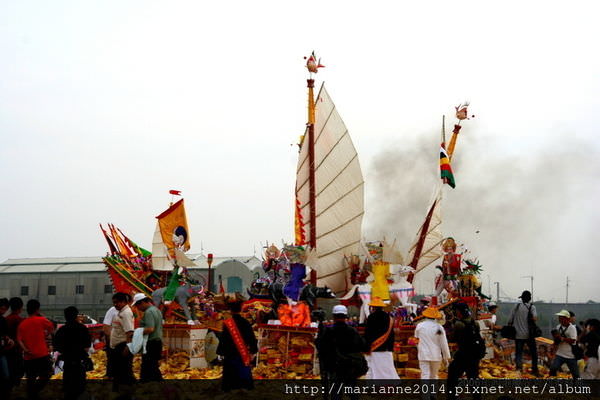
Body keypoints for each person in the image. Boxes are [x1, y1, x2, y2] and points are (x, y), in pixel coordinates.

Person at [319, 305, 366, 400]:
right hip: (350, 366)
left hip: (334, 366)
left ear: (333, 316)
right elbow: (362, 345)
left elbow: (321, 348)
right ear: (345, 316)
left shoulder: (328, 331)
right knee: (352, 391)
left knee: (335, 392)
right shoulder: (352, 331)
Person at [217, 299, 258, 392]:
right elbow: (251, 338)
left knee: (229, 371)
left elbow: (223, 339)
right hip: (241, 353)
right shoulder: (246, 323)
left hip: (229, 353)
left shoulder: (227, 323)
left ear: (230, 311)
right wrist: (253, 350)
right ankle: (245, 388)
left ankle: (229, 388)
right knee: (243, 370)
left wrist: (220, 352)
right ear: (241, 309)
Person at [16, 299, 54, 400]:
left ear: (27, 309)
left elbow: (19, 340)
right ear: (37, 309)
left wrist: (26, 350)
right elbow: (51, 328)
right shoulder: (42, 320)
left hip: (28, 356)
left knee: (31, 379)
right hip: (42, 354)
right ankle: (34, 392)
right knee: (47, 374)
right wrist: (45, 333)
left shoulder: (22, 324)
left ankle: (32, 395)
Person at [53, 306, 92, 400]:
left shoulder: (62, 330)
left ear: (65, 317)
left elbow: (57, 347)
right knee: (80, 390)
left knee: (68, 391)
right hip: (79, 365)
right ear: (76, 316)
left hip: (67, 365)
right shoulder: (82, 328)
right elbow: (87, 346)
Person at [447, 303, 484, 400]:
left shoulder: (459, 324)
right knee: (473, 377)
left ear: (459, 312)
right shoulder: (475, 323)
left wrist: (451, 325)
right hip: (474, 356)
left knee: (452, 377)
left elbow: (452, 339)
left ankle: (452, 397)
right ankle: (477, 397)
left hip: (463, 355)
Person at [364, 297, 399, 379]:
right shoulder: (389, 318)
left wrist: (367, 347)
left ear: (373, 307)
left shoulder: (371, 317)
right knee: (388, 368)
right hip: (387, 348)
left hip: (375, 348)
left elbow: (368, 333)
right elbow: (391, 334)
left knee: (375, 370)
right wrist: (390, 347)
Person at [507, 290, 539, 376]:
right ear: (529, 299)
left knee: (518, 353)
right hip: (529, 335)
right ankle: (535, 370)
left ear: (522, 298)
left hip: (518, 335)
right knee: (534, 353)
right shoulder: (532, 307)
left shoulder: (516, 306)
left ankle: (519, 370)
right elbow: (535, 319)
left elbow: (510, 320)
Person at [132, 293, 163, 382]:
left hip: (151, 343)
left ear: (142, 302)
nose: (137, 308)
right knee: (152, 367)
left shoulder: (149, 312)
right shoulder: (156, 310)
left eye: (137, 305)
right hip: (157, 342)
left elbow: (150, 329)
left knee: (148, 366)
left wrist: (136, 332)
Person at [415, 307, 451, 379]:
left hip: (423, 355)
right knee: (434, 375)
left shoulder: (419, 326)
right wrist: (446, 357)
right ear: (435, 317)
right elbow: (443, 343)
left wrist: (419, 349)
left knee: (425, 375)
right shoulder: (439, 327)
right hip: (435, 355)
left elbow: (416, 340)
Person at [110, 292, 135, 392]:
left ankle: (125, 392)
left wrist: (127, 347)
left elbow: (129, 333)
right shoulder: (121, 312)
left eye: (117, 302)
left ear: (124, 302)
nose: (115, 305)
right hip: (119, 346)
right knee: (120, 371)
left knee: (123, 371)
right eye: (114, 303)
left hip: (123, 347)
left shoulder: (126, 313)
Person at [550, 309, 580, 378]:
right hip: (560, 354)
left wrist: (562, 339)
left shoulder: (572, 328)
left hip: (571, 355)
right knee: (553, 369)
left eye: (561, 317)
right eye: (559, 317)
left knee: (576, 375)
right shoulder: (558, 327)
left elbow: (573, 340)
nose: (559, 319)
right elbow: (557, 340)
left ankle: (578, 387)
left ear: (567, 319)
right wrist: (555, 343)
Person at [5, 297, 25, 397]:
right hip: (17, 350)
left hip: (7, 350)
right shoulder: (20, 320)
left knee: (9, 373)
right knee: (18, 372)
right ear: (21, 307)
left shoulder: (6, 319)